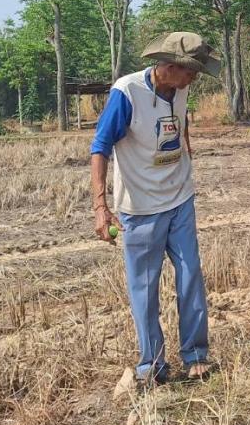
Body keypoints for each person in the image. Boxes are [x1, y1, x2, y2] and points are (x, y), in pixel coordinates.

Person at [90, 31, 222, 389]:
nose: (195, 79)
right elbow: (100, 147)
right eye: (191, 71)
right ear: (169, 67)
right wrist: (101, 207)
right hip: (140, 208)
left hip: (180, 198)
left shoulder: (181, 90)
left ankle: (196, 356)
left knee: (190, 275)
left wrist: (187, 150)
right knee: (144, 288)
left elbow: (181, 123)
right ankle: (153, 364)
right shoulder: (127, 93)